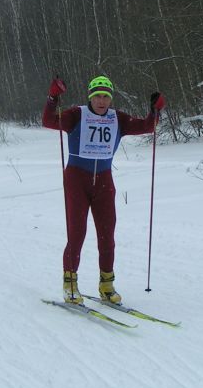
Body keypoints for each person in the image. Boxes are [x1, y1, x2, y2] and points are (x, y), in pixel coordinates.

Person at [42, 75, 165, 305]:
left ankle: (106, 285)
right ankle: (70, 285)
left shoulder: (117, 118)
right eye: (97, 96)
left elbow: (148, 127)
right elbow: (49, 121)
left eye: (106, 96)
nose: (101, 101)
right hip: (77, 179)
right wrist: (52, 98)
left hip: (104, 182)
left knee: (107, 236)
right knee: (77, 234)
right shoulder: (77, 115)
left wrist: (155, 110)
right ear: (90, 96)